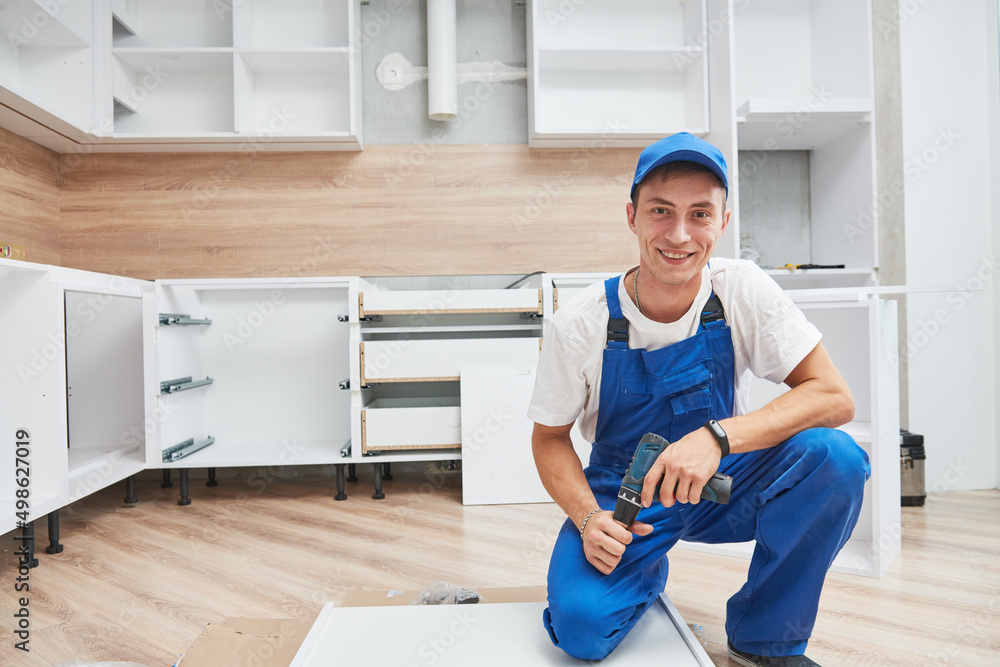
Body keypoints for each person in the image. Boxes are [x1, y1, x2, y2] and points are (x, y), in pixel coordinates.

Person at [527, 133, 871, 666]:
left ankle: (764, 638)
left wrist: (717, 437)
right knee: (582, 630)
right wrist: (587, 517)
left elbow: (833, 396)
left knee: (836, 458)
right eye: (660, 211)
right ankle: (643, 572)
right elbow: (549, 438)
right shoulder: (580, 323)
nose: (680, 234)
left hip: (723, 482)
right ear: (632, 216)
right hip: (626, 496)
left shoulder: (740, 289)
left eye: (700, 214)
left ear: (722, 222)